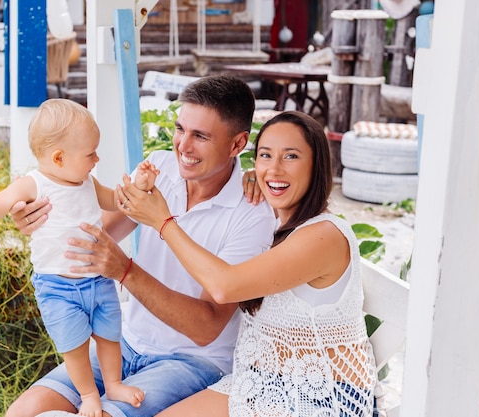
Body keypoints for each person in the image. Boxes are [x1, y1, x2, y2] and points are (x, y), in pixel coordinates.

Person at [5, 75, 277, 417]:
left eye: (201, 136)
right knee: (23, 411)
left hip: (192, 362)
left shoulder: (252, 214)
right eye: (180, 129)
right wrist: (39, 218)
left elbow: (206, 328)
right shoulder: (161, 166)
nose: (183, 146)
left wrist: (125, 271)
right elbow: (92, 237)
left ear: (238, 144)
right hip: (125, 345)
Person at [119, 110, 378, 417]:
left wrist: (163, 221)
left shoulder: (323, 236)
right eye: (265, 155)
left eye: (291, 156)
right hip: (258, 382)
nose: (275, 168)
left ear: (316, 165)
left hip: (320, 396)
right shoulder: (273, 220)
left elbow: (224, 286)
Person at [0, 99, 152, 416]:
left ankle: (114, 384)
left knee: (109, 336)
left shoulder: (88, 183)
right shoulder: (33, 185)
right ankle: (89, 394)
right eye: (90, 153)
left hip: (98, 279)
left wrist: (140, 186)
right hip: (58, 288)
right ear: (59, 158)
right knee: (75, 348)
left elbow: (117, 201)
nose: (97, 158)